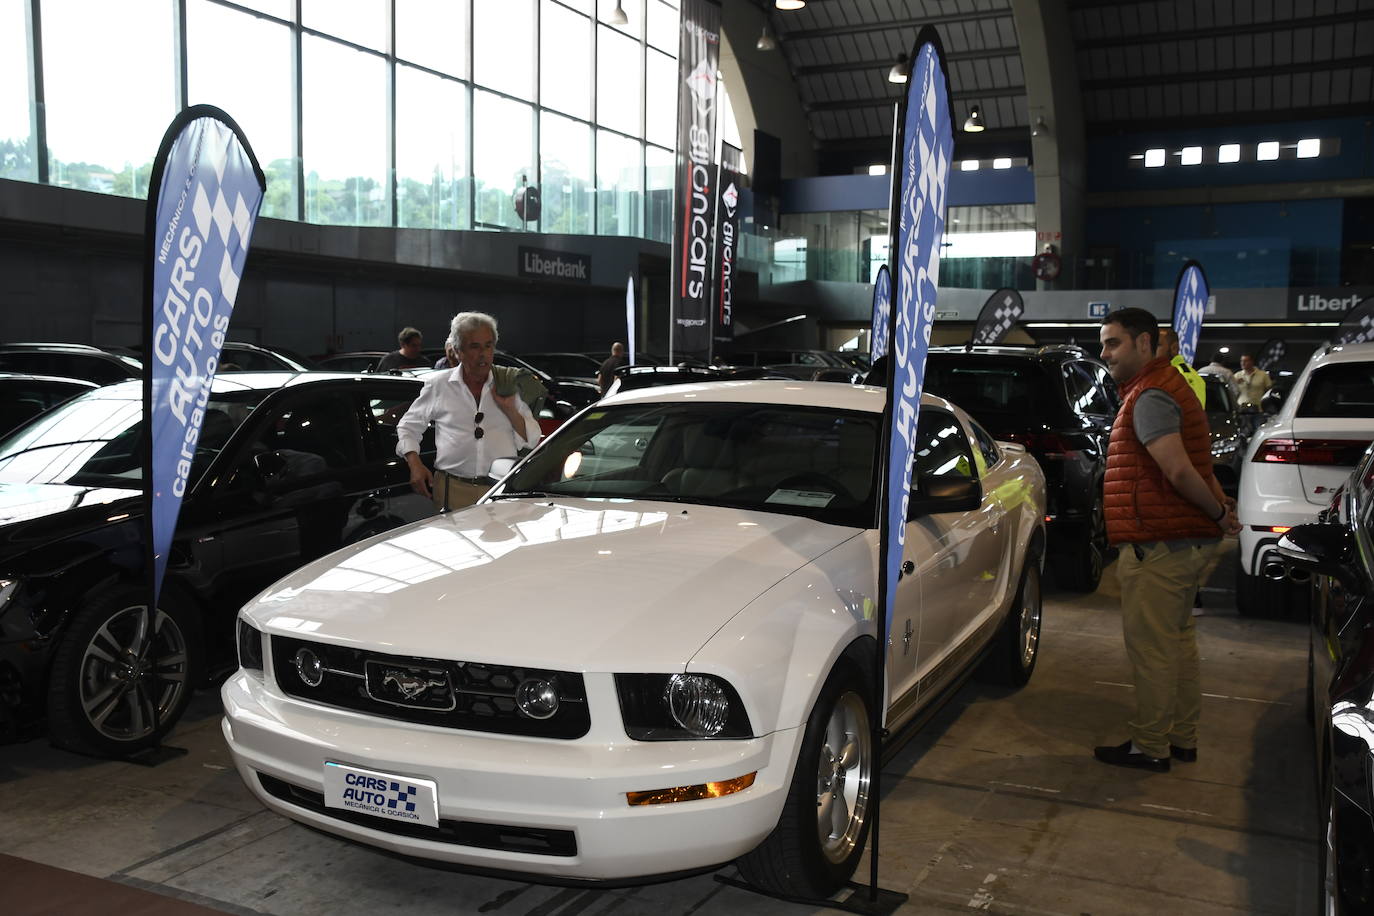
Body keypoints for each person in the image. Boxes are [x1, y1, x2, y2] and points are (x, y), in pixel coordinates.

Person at [1093, 308, 1240, 773]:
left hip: (1158, 545)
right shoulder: (1162, 387)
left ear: (1144, 343)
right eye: (1103, 343)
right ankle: (1181, 738)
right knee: (1177, 644)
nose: (1105, 353)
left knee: (1153, 651)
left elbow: (1178, 469)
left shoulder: (1151, 394)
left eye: (1113, 343)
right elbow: (1200, 467)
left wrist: (1218, 512)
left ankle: (1151, 746)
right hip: (1177, 541)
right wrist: (1220, 512)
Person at [395, 312, 541, 511]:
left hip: (499, 491)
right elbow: (408, 426)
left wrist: (509, 409)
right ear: (457, 351)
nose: (483, 354)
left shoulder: (506, 383)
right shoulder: (439, 385)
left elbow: (532, 440)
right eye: (474, 346)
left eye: (488, 346)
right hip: (452, 490)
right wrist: (415, 464)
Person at [1155, 328, 1204, 406]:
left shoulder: (1182, 375)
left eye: (1157, 345)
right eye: (1150, 345)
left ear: (1174, 348)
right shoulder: (1165, 372)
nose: (1152, 350)